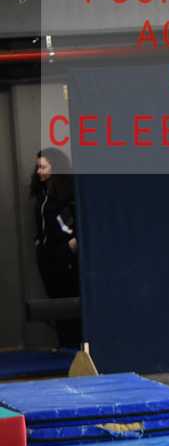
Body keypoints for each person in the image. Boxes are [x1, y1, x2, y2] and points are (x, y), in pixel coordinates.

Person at [31, 147, 81, 347]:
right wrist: (39, 245)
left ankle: (76, 347)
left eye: (43, 167)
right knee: (56, 304)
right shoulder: (43, 194)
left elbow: (76, 221)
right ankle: (65, 345)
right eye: (38, 167)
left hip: (65, 257)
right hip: (48, 258)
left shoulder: (69, 192)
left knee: (70, 302)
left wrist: (72, 244)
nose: (39, 172)